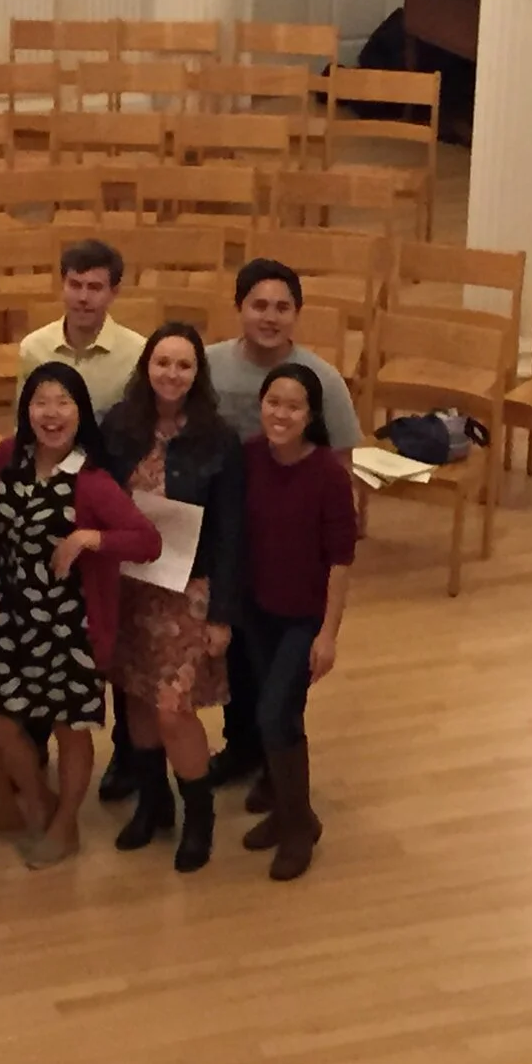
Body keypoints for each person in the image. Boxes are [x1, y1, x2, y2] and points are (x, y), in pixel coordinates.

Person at [0, 363, 161, 869]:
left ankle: (66, 825)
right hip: (14, 618)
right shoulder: (7, 457)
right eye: (41, 401)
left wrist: (88, 538)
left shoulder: (93, 482)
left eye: (63, 402)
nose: (51, 413)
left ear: (81, 413)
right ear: (25, 408)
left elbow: (148, 540)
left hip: (72, 627)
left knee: (68, 728)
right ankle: (39, 800)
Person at [204, 258, 360, 793]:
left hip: (291, 557)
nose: (269, 317)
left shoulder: (324, 381)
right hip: (233, 547)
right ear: (240, 307)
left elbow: (338, 474)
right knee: (240, 665)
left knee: (279, 680)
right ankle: (243, 749)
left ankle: (279, 770)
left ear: (297, 314)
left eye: (282, 307)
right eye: (259, 305)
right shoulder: (209, 366)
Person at [101, 326, 244, 873]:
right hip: (132, 587)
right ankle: (153, 805)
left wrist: (223, 615)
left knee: (172, 709)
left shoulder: (218, 440)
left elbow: (232, 533)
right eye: (163, 362)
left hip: (189, 590)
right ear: (147, 366)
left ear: (197, 373)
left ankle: (198, 817)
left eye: (184, 366)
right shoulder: (121, 426)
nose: (171, 374)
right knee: (136, 700)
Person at [241, 363, 356, 882]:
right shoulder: (248, 458)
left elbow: (340, 559)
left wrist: (328, 634)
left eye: (293, 406)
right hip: (257, 611)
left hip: (302, 619)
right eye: (273, 402)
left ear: (311, 416)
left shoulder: (329, 473)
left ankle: (297, 827)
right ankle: (292, 812)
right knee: (276, 714)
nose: (281, 413)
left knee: (274, 716)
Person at [16, 238, 147, 414]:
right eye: (75, 285)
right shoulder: (32, 348)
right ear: (62, 285)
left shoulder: (138, 353)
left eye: (94, 287)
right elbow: (23, 422)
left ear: (113, 293)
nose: (83, 297)